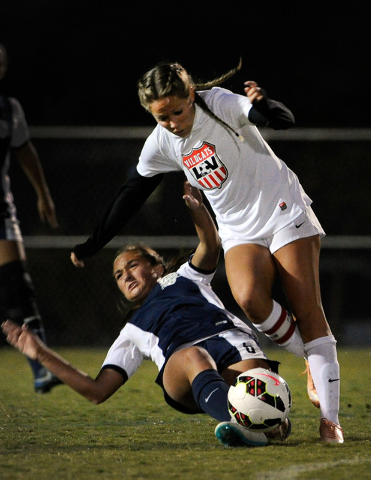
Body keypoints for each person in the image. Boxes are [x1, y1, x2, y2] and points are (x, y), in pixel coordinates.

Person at [70, 61, 343, 443]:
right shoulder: (162, 140)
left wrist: (265, 106)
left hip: (281, 205)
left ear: (190, 95)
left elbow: (282, 120)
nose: (172, 123)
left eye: (177, 112)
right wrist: (93, 244)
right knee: (249, 299)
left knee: (307, 309)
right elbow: (131, 193)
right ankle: (313, 360)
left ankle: (330, 420)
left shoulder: (219, 104)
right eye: (161, 117)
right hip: (237, 227)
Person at [4, 183, 291, 448]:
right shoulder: (131, 329)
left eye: (132, 265)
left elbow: (211, 244)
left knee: (260, 389)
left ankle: (270, 425)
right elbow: (97, 390)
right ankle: (244, 426)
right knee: (194, 356)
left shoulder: (186, 277)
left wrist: (197, 207)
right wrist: (40, 353)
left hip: (232, 342)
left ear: (156, 267)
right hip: (183, 366)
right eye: (118, 275)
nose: (125, 275)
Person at [0, 38, 61, 393]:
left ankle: (42, 369)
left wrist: (43, 194)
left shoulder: (7, 107)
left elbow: (25, 151)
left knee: (18, 290)